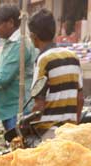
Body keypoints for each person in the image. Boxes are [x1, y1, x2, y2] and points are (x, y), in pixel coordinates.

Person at [29, 9, 83, 137]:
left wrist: (31, 129)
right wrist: (75, 124)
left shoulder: (43, 60)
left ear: (33, 36)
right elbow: (80, 98)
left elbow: (39, 104)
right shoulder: (73, 57)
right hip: (70, 130)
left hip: (49, 131)